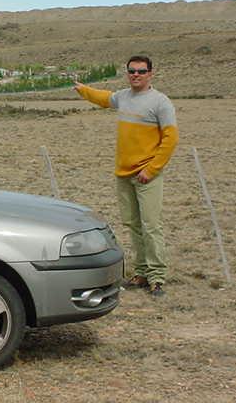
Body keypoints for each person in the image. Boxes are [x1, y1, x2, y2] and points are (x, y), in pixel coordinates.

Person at [74, 56, 178, 297]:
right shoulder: (123, 97)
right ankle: (141, 272)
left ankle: (157, 277)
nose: (136, 75)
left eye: (141, 71)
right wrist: (83, 90)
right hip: (124, 174)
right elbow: (104, 98)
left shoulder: (160, 102)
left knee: (151, 226)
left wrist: (151, 170)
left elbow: (171, 139)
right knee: (133, 225)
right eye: (132, 71)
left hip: (147, 175)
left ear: (151, 73)